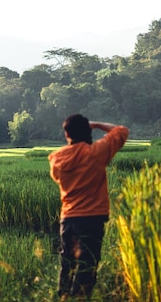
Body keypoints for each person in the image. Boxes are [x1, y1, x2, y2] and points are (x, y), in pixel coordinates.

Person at [48, 114, 129, 300]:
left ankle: (64, 296)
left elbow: (57, 178)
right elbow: (122, 131)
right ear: (88, 131)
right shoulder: (96, 152)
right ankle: (81, 297)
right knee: (87, 263)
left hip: (67, 218)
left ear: (67, 133)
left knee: (67, 261)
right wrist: (98, 124)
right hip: (92, 218)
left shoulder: (56, 159)